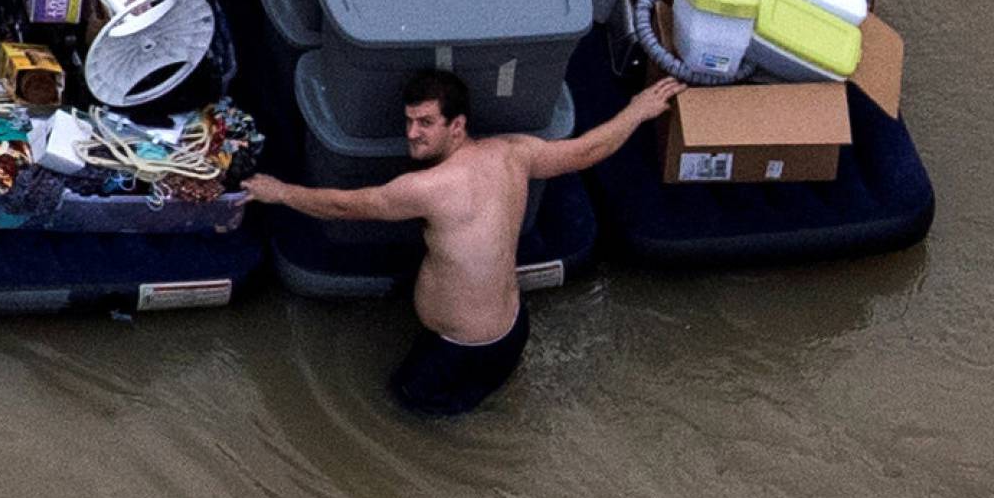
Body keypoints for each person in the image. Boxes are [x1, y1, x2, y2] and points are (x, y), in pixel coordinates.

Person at [245, 70, 685, 416]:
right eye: (409, 120)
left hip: (462, 351)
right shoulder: (514, 153)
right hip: (512, 330)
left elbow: (344, 207)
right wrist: (636, 109)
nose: (412, 132)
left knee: (404, 409)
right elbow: (586, 150)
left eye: (426, 123)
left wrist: (280, 192)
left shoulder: (427, 188)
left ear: (457, 126)